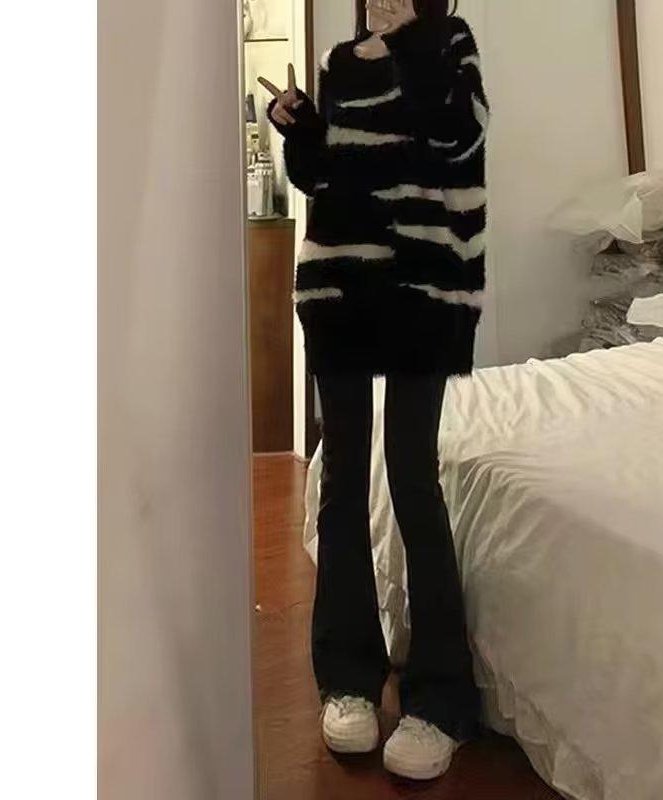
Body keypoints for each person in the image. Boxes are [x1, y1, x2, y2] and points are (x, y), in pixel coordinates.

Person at [260, 0, 488, 781]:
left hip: (425, 288)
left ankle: (441, 699)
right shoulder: (341, 62)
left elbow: (459, 141)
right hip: (341, 287)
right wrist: (300, 128)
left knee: (413, 477)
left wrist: (413, 41)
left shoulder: (451, 45)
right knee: (342, 479)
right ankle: (347, 679)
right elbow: (325, 177)